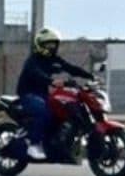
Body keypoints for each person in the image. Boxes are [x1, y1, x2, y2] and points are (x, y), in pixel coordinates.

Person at [16, 27, 94, 160]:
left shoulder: (54, 59)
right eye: (49, 44)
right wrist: (51, 81)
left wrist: (90, 76)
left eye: (54, 44)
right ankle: (33, 144)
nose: (52, 47)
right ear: (40, 45)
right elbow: (36, 73)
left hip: (43, 94)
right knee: (43, 111)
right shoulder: (33, 60)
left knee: (60, 110)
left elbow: (70, 68)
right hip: (28, 94)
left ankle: (55, 142)